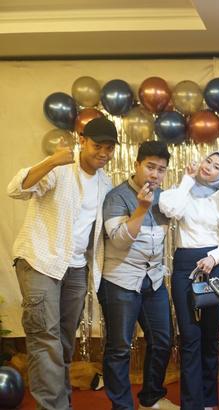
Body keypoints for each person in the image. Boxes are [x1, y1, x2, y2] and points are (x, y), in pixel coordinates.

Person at [7, 117, 117, 409]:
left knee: (64, 342)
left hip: (76, 268)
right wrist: (51, 161)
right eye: (97, 146)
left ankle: (60, 404)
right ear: (82, 141)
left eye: (109, 148)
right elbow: (16, 189)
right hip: (40, 260)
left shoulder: (105, 183)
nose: (103, 153)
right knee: (46, 339)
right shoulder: (59, 169)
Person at [98, 140, 178, 410]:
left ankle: (151, 398)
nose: (155, 174)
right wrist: (142, 208)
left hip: (153, 280)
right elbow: (120, 241)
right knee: (120, 347)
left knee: (162, 341)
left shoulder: (163, 198)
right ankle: (122, 406)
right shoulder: (117, 197)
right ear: (137, 165)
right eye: (150, 167)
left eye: (161, 170)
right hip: (120, 281)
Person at [159, 151, 219, 410]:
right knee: (190, 335)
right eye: (208, 161)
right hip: (185, 264)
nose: (209, 167)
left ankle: (209, 400)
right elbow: (170, 209)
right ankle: (192, 403)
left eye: (217, 166)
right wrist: (187, 180)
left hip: (214, 264)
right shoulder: (183, 190)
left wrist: (214, 258)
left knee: (210, 335)